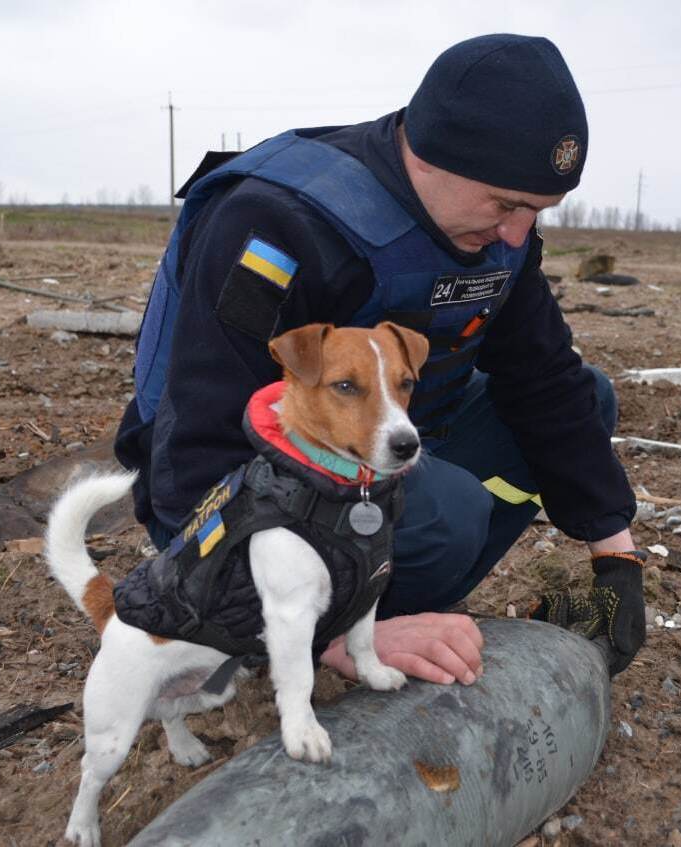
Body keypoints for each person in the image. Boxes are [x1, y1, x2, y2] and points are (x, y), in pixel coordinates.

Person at [115, 33, 645, 684]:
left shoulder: (499, 236)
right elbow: (198, 461)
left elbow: (545, 379)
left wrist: (618, 559)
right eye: (507, 204)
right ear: (431, 156)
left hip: (383, 445)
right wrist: (334, 642)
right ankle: (308, 624)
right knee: (448, 515)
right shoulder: (279, 223)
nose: (516, 234)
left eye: (536, 213)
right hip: (230, 498)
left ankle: (395, 594)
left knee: (589, 400)